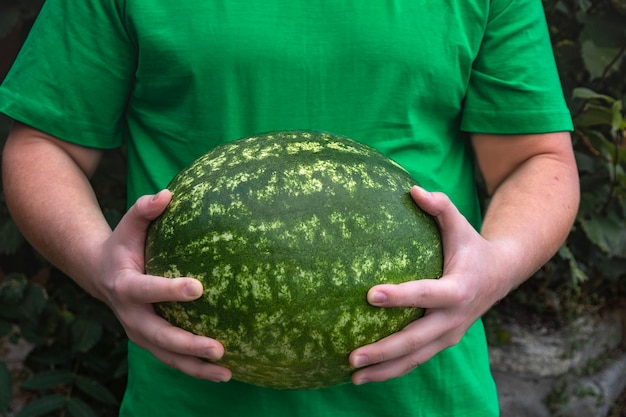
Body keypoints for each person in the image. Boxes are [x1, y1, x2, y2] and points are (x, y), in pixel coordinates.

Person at [0, 0, 579, 415]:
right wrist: (99, 265)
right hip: (187, 397)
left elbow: (536, 159)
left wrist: (495, 266)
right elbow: (43, 144)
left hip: (431, 398)